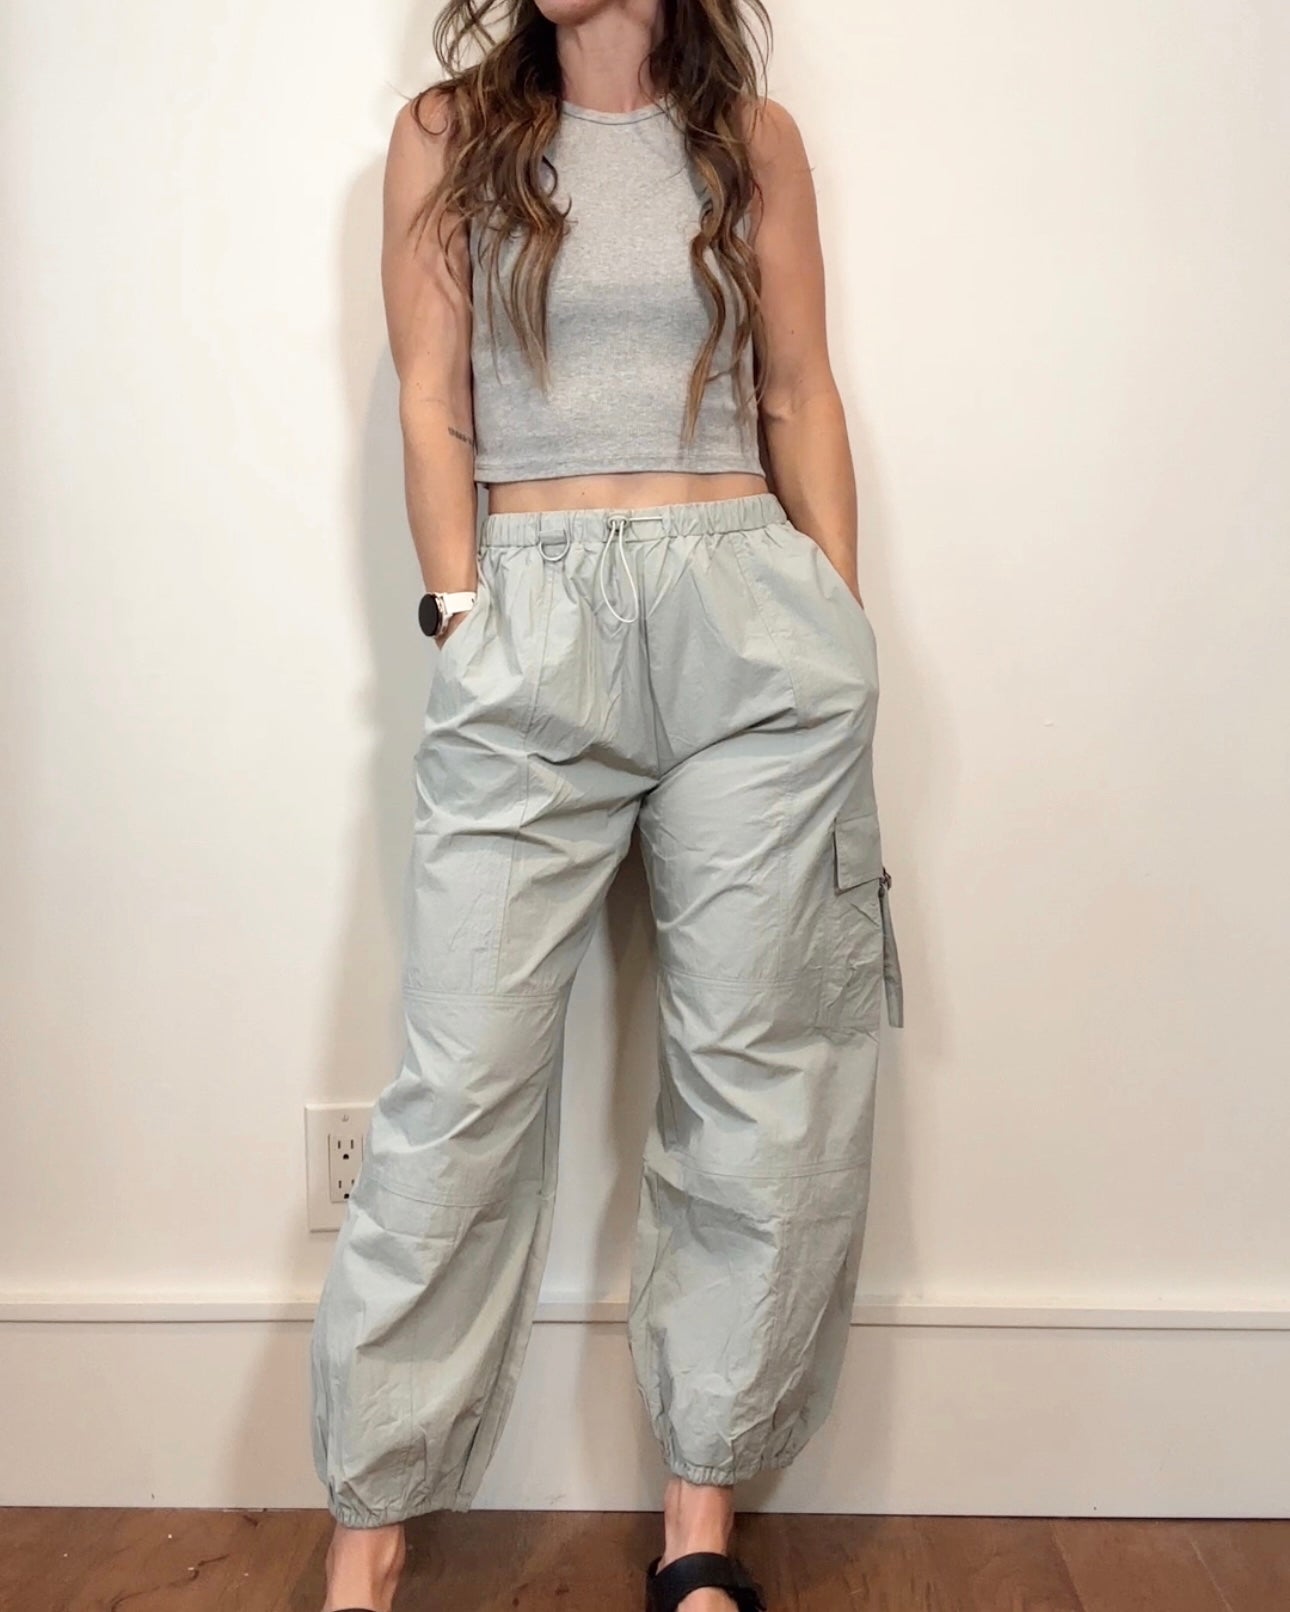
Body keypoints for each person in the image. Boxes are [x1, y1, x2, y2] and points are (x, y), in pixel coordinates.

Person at [309, 2, 903, 1609]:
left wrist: (836, 623)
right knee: (460, 1083)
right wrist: (461, 613)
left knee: (760, 1077)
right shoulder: (447, 136)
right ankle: (368, 1543)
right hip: (532, 611)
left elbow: (799, 394)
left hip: (749, 620)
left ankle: (695, 1533)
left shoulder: (752, 143)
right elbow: (433, 397)